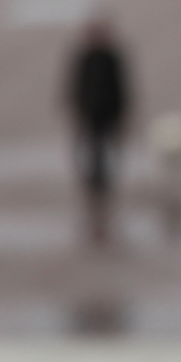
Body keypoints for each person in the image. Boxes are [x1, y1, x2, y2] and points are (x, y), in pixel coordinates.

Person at [64, 16, 134, 240]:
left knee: (107, 147)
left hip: (108, 112)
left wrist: (122, 111)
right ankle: (96, 178)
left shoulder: (111, 57)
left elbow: (121, 85)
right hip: (91, 112)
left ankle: (102, 178)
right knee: (94, 149)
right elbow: (76, 84)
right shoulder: (85, 56)